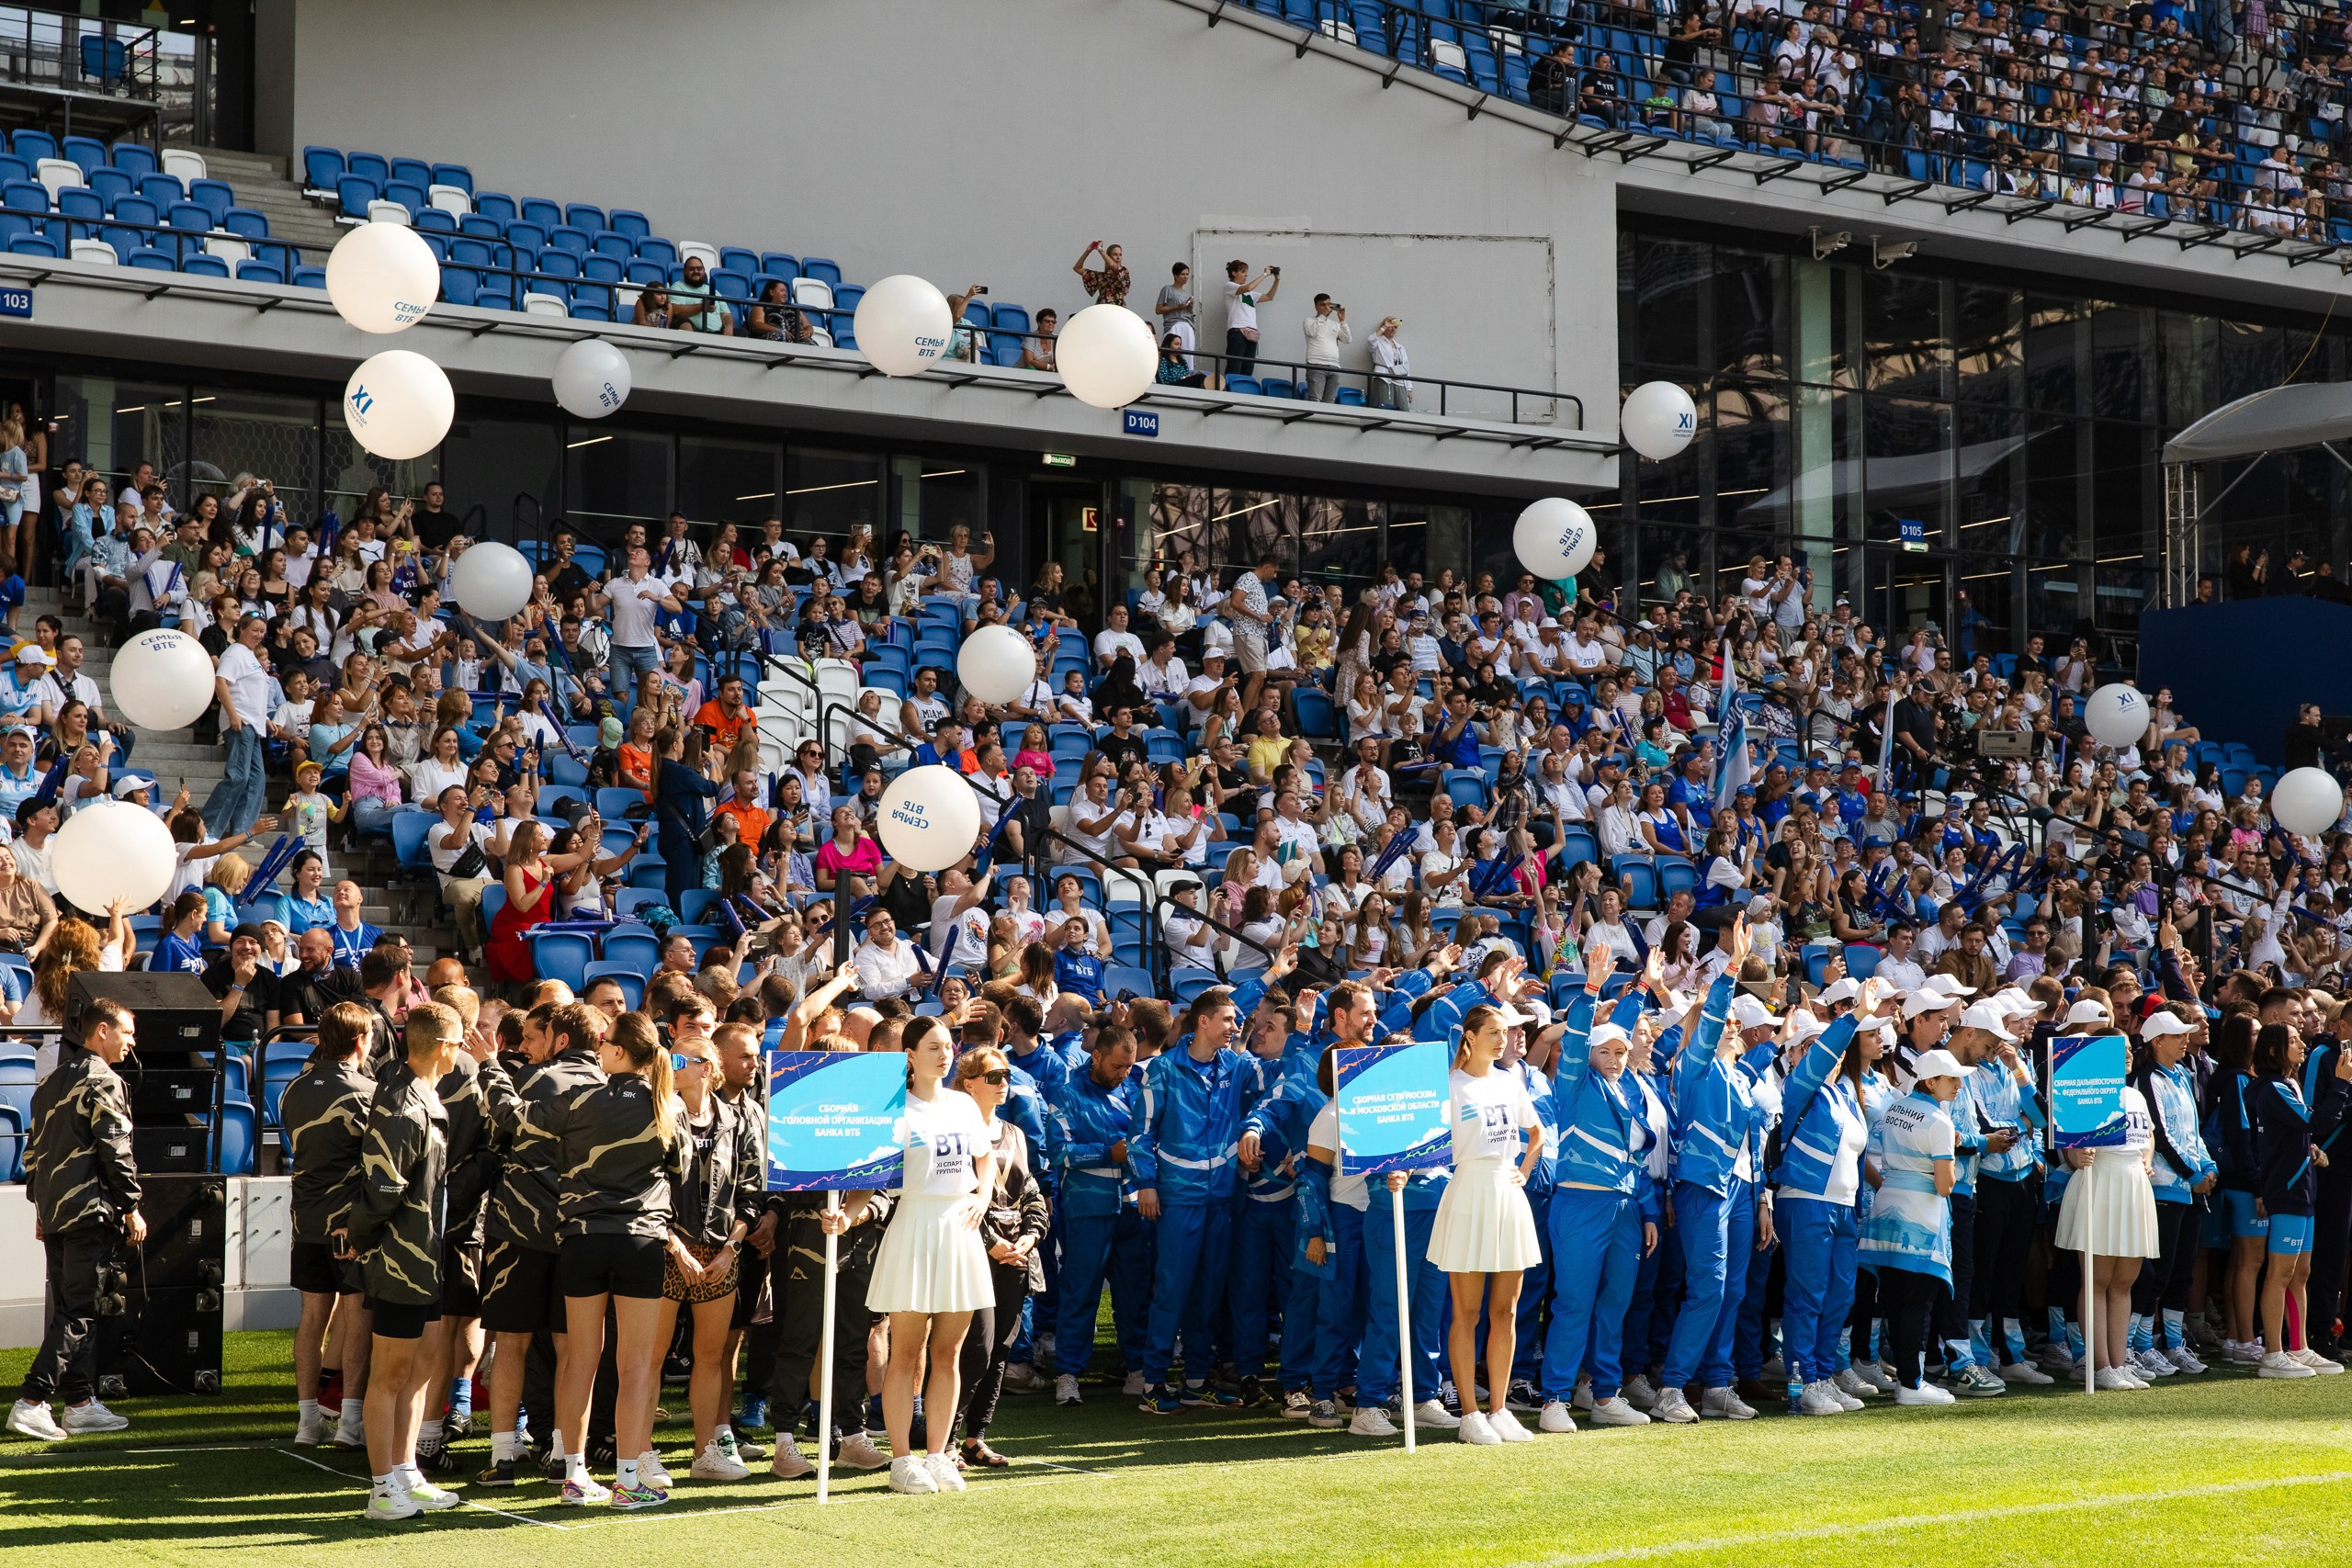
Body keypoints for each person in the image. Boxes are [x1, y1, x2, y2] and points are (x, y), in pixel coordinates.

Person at [543, 1007, 684, 1508]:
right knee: (636, 1367)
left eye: (604, 1045)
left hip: (581, 1238)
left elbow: (554, 1154)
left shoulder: (580, 1100)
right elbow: (681, 1169)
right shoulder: (667, 1102)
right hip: (640, 1240)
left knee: (580, 1360)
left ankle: (575, 1476)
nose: (598, 1051)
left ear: (619, 1051)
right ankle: (628, 1480)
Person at [343, 1002, 467, 1521]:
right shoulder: (402, 1102)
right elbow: (384, 1185)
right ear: (442, 1046)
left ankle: (406, 1472)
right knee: (390, 1375)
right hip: (399, 1257)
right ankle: (381, 1489)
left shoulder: (420, 1094)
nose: (461, 1051)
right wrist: (362, 1239)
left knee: (418, 1372)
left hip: (424, 1255)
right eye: (458, 1041)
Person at [864, 1016, 994, 1495]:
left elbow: (985, 1156)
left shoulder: (963, 1103)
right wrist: (846, 1215)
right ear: (910, 1056)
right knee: (907, 1352)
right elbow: (868, 1176)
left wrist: (982, 1195)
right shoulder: (892, 1109)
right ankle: (902, 1460)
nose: (945, 1055)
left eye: (948, 1046)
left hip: (960, 1231)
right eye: (933, 1047)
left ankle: (938, 1455)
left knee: (949, 1352)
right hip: (914, 1227)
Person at [6, 998, 140, 1443]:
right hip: (89, 1211)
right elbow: (116, 1150)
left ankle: (79, 1403)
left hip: (57, 1212)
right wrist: (131, 1206)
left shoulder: (49, 1082)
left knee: (71, 1309)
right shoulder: (104, 1080)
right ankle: (32, 1401)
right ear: (101, 1031)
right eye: (126, 1032)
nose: (132, 1041)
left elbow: (32, 1155)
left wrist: (42, 1209)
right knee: (79, 1312)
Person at [1131, 987, 1259, 1414]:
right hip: (1177, 1199)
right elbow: (1139, 1134)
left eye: (1236, 1020)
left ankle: (1197, 1381)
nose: (1235, 1027)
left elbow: (1279, 1080)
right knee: (1173, 1291)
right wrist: (1146, 1183)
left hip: (1221, 1198)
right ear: (1203, 1021)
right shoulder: (1163, 1070)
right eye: (1227, 1019)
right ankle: (1152, 1384)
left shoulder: (1237, 1066)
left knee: (1208, 1292)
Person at [1428, 1000, 1544, 1444]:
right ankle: (1470, 1413)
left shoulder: (1510, 1081)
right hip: (1468, 1192)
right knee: (1467, 1311)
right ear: (1470, 1037)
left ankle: (1499, 1409)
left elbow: (1536, 1133)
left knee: (1507, 1310)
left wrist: (1526, 1169)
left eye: (1506, 1033)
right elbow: (1427, 1142)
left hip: (1507, 1194)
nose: (1504, 1040)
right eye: (1494, 1032)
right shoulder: (1450, 1085)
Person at [659, 1028, 763, 1482]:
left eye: (680, 1062)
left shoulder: (736, 1120)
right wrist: (676, 1247)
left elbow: (751, 1193)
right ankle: (640, 1455)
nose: (671, 1068)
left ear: (706, 1068)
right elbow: (648, 1189)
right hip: (667, 1249)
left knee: (710, 1354)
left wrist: (731, 1248)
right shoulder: (659, 1114)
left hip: (722, 1251)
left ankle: (707, 1452)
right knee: (650, 1356)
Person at [282, 1002, 377, 1449]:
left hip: (306, 1220)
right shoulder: (365, 1092)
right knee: (356, 1319)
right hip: (349, 1228)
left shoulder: (293, 1089)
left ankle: (307, 1422)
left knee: (312, 1317)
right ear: (361, 1041)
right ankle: (350, 1422)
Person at [951, 1044, 1050, 1469]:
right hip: (973, 1249)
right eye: (994, 1076)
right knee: (975, 1347)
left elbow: (1030, 1192)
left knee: (1002, 1350)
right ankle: (947, 1440)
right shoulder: (952, 1131)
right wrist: (992, 1243)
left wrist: (1029, 1238)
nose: (1003, 1082)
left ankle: (975, 1438)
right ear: (968, 1083)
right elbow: (958, 1195)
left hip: (1016, 1253)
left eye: (1006, 1074)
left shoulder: (1014, 1133)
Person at [1858, 1045, 1967, 1406]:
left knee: (1896, 1299)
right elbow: (1944, 1184)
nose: (1957, 1086)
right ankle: (1911, 1383)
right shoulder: (1940, 1121)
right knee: (1918, 1302)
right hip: (1921, 1215)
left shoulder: (1894, 1108)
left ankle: (1906, 1378)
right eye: (1951, 1080)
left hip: (1888, 1207)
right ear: (1931, 1081)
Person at [2247, 1021, 2352, 1377]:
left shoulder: (2287, 1083)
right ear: (2274, 1050)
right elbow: (2316, 1119)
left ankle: (2299, 1347)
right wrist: (2341, 1084)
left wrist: (2312, 1150)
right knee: (2280, 1273)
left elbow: (2298, 1132)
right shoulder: (2273, 1088)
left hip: (2304, 1190)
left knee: (2300, 1272)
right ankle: (2272, 1354)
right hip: (2286, 1192)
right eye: (2293, 1041)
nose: (2301, 1045)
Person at [1222, 258, 1280, 376]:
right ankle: (1230, 392)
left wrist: (1276, 280)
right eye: (1243, 272)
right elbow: (1247, 287)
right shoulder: (1230, 286)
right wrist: (1264, 275)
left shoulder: (1251, 294)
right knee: (1235, 367)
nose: (1246, 275)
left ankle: (1244, 390)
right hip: (1237, 331)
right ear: (1233, 273)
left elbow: (1269, 296)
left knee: (1247, 369)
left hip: (1252, 333)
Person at [1301, 294, 1351, 402]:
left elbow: (1347, 340)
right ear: (1316, 306)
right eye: (1322, 305)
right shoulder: (1309, 320)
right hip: (1316, 364)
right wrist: (1323, 316)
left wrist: (1342, 321)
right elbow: (1311, 331)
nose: (1326, 308)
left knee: (1330, 402)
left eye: (1328, 304)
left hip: (1334, 366)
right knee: (1315, 399)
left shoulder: (1335, 324)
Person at [1369, 316, 1412, 411]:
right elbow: (1371, 340)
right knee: (1386, 407)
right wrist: (1384, 326)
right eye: (1390, 326)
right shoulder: (1379, 342)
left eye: (1395, 327)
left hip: (1400, 380)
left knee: (1404, 409)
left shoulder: (1400, 347)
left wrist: (1409, 388)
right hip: (1384, 378)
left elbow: (1406, 367)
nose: (1393, 329)